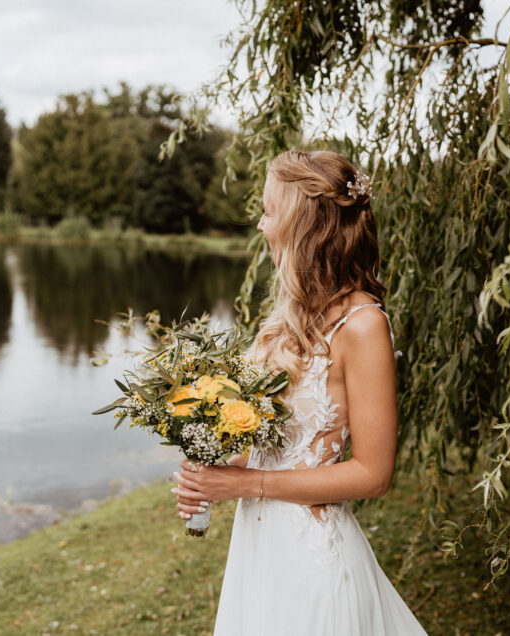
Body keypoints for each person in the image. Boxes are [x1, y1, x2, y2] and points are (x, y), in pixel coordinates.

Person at [171, 150, 428, 634]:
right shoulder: (286, 320)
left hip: (311, 559)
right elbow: (283, 447)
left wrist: (245, 485)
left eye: (269, 212)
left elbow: (373, 474)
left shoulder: (363, 325)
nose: (262, 226)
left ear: (302, 225)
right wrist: (216, 471)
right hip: (260, 547)